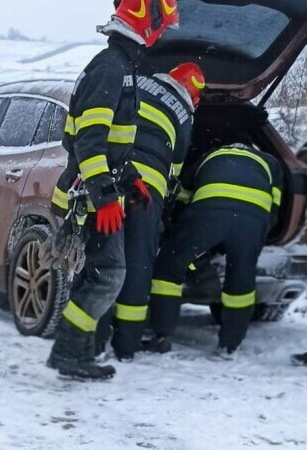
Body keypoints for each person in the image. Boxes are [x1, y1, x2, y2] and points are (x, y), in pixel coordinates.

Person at [46, 0, 180, 380]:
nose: (161, 35)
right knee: (108, 276)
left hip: (92, 194)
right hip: (87, 199)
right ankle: (71, 353)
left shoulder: (120, 68)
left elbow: (114, 144)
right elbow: (89, 142)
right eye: (161, 27)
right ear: (146, 25)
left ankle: (74, 353)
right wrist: (105, 198)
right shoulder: (110, 70)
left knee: (96, 277)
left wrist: (132, 178)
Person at [98, 62, 205, 361]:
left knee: (101, 259)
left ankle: (93, 340)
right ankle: (127, 346)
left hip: (112, 176)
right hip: (146, 194)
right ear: (192, 96)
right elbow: (177, 165)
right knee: (137, 264)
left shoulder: (139, 82)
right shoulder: (183, 112)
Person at [146, 136, 284, 359]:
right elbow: (276, 207)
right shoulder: (271, 162)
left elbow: (182, 195)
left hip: (209, 214)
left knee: (169, 267)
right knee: (241, 279)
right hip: (252, 221)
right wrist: (258, 235)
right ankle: (230, 346)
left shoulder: (209, 156)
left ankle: (162, 336)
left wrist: (181, 230)